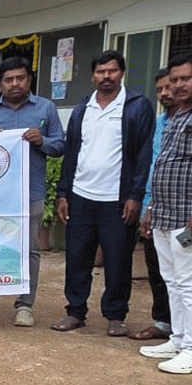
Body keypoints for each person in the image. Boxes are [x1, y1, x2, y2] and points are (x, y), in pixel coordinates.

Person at [51, 50, 154, 336]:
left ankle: (116, 315)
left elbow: (144, 155)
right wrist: (63, 192)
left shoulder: (136, 106)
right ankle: (75, 312)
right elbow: (71, 152)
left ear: (121, 73)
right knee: (77, 257)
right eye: (100, 72)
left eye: (111, 71)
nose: (106, 77)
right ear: (93, 75)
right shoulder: (84, 107)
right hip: (81, 195)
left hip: (117, 199)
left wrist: (135, 195)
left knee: (118, 259)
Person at [0, 57, 65, 327]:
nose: (15, 84)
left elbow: (60, 145)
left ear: (29, 80)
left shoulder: (46, 109)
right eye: (9, 80)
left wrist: (41, 141)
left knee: (29, 249)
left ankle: (24, 305)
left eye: (20, 78)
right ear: (0, 84)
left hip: (30, 192)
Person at [138, 55, 192, 373]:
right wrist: (151, 208)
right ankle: (178, 338)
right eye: (174, 80)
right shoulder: (174, 118)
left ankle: (191, 347)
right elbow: (164, 166)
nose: (178, 85)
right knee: (171, 280)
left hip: (185, 217)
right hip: (163, 214)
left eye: (186, 78)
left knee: (187, 283)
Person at [131, 70, 175, 341]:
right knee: (159, 272)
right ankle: (164, 323)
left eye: (169, 87)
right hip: (154, 210)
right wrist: (145, 207)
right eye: (159, 89)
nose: (165, 94)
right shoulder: (157, 124)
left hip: (183, 212)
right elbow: (149, 167)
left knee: (185, 277)